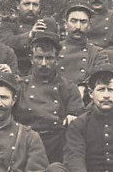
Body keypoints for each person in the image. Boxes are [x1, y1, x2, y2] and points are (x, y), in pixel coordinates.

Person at [13, 32, 85, 162]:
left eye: (49, 58)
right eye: (39, 58)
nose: (44, 63)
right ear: (31, 59)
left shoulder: (68, 87)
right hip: (25, 143)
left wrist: (72, 115)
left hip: (57, 144)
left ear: (57, 59)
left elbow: (77, 112)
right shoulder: (20, 86)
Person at [0, 0, 55, 75]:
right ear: (17, 6)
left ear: (39, 8)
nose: (31, 9)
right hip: (15, 72)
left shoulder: (45, 25)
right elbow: (3, 43)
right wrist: (30, 35)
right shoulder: (9, 24)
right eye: (27, 4)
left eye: (35, 5)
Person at [56, 2, 109, 94]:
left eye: (83, 22)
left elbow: (100, 81)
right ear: (65, 24)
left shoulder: (98, 53)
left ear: (89, 26)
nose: (78, 27)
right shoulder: (54, 49)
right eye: (73, 21)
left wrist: (83, 87)